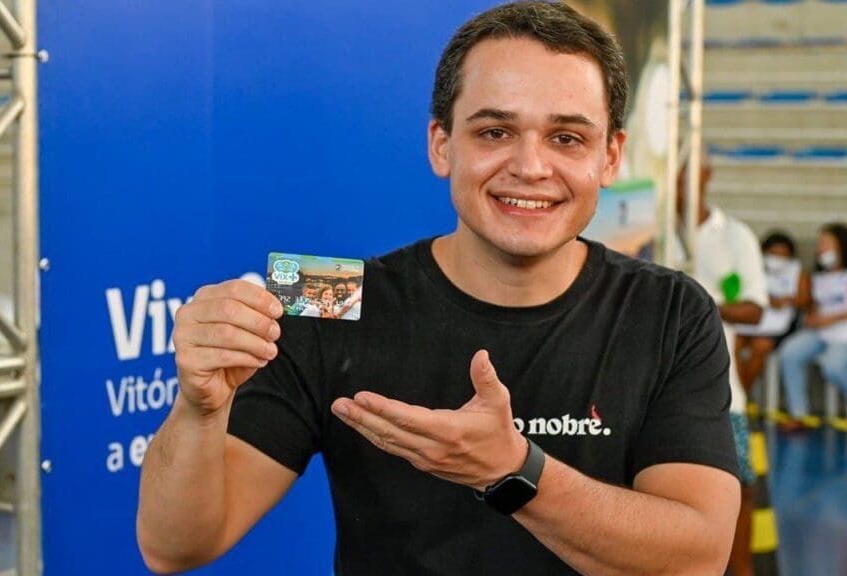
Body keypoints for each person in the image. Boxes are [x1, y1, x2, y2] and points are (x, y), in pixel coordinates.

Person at [137, 3, 739, 574]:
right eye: (495, 132)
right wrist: (197, 408)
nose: (530, 166)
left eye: (566, 138)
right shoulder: (329, 294)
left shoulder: (672, 311)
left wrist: (513, 471)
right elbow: (174, 548)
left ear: (610, 158)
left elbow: (698, 557)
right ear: (441, 145)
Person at [677, 155, 768, 576]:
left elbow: (753, 310)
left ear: (706, 175)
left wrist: (692, 306)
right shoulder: (645, 230)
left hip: (721, 387)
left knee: (739, 487)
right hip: (656, 388)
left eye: (692, 168)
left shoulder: (733, 236)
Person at [778, 222, 847, 430]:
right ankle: (799, 414)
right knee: (789, 353)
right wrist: (812, 316)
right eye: (820, 244)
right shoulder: (818, 276)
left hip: (843, 335)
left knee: (832, 366)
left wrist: (830, 318)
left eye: (826, 244)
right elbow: (813, 304)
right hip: (819, 333)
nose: (821, 249)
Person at [734, 231, 809, 398]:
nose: (778, 259)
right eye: (774, 254)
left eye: (783, 255)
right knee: (733, 342)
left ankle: (741, 396)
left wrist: (787, 301)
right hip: (748, 321)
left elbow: (805, 300)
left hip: (777, 327)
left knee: (761, 346)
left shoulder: (798, 273)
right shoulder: (749, 267)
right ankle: (737, 395)